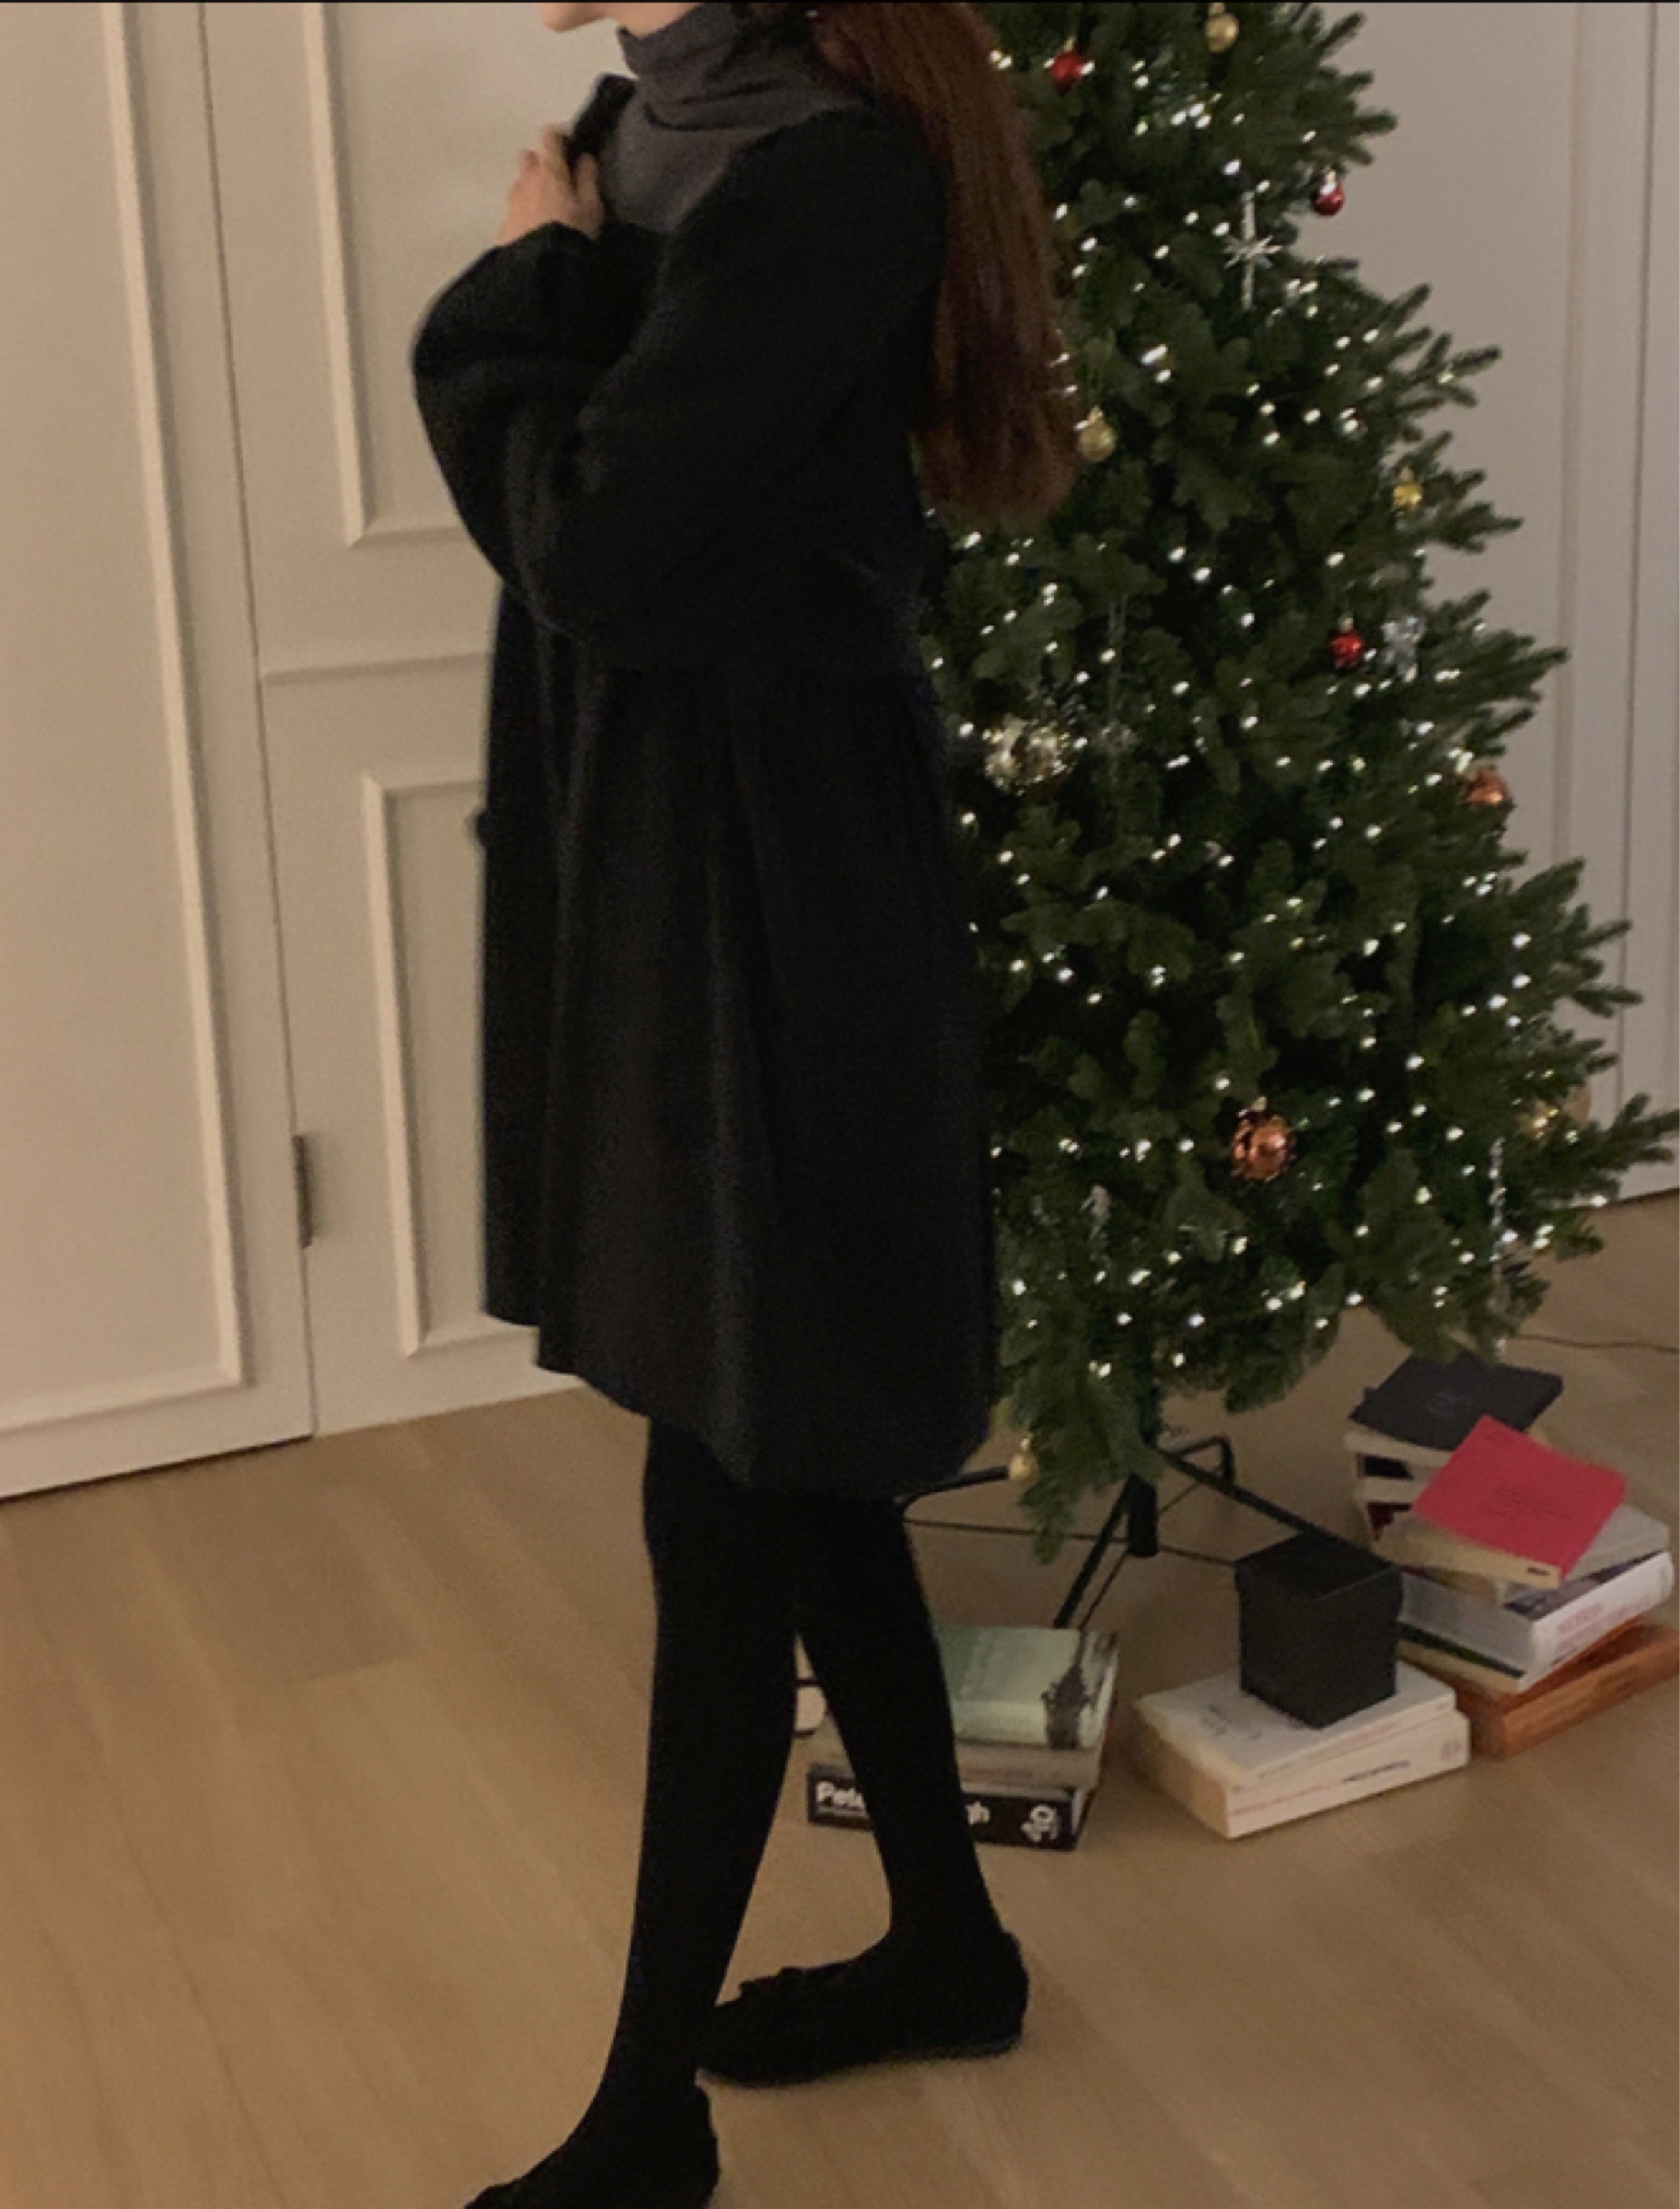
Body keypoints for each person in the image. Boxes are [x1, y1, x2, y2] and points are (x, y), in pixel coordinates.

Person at [410, 5, 1083, 2202]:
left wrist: (522, 287)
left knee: (727, 1479)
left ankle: (641, 2126)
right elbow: (619, 527)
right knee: (783, 1463)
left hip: (781, 886)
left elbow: (596, 542)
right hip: (653, 846)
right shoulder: (649, 120)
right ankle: (951, 1948)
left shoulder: (828, 170)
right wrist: (572, 270)